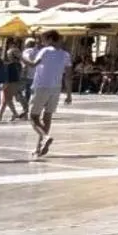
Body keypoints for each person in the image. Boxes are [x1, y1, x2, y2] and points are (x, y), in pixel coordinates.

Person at [22, 31, 73, 160]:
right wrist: (68, 94)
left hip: (42, 86)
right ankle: (39, 147)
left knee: (33, 117)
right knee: (47, 116)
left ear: (50, 39)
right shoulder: (66, 54)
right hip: (56, 88)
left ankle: (45, 138)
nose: (42, 42)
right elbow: (68, 76)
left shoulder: (46, 51)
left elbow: (33, 64)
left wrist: (21, 56)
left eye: (43, 39)